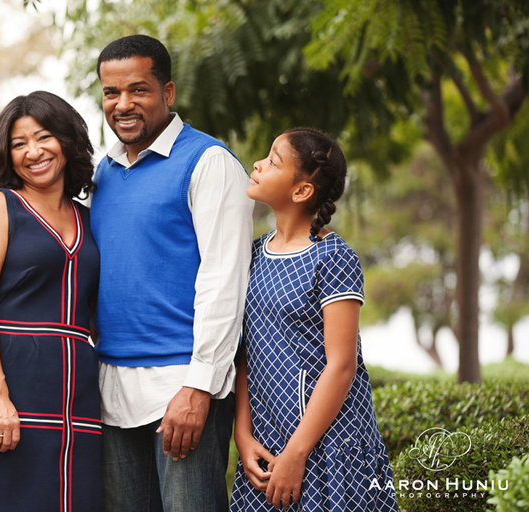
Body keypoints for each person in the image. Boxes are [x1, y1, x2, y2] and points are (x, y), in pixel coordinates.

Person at [91, 35, 254, 512]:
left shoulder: (209, 162)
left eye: (138, 90)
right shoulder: (103, 172)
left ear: (168, 92)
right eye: (110, 93)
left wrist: (199, 386)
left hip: (182, 385)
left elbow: (225, 280)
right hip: (111, 387)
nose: (122, 104)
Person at [0, 91, 101, 512]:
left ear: (66, 139)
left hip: (74, 397)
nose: (33, 152)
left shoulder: (89, 216)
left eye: (43, 137)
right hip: (8, 387)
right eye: (18, 143)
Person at [229, 128, 398, 511]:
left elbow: (341, 366)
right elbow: (245, 355)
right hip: (267, 445)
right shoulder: (253, 254)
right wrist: (242, 433)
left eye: (273, 161)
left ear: (302, 191)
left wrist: (297, 452)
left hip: (327, 448)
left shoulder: (333, 257)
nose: (257, 164)